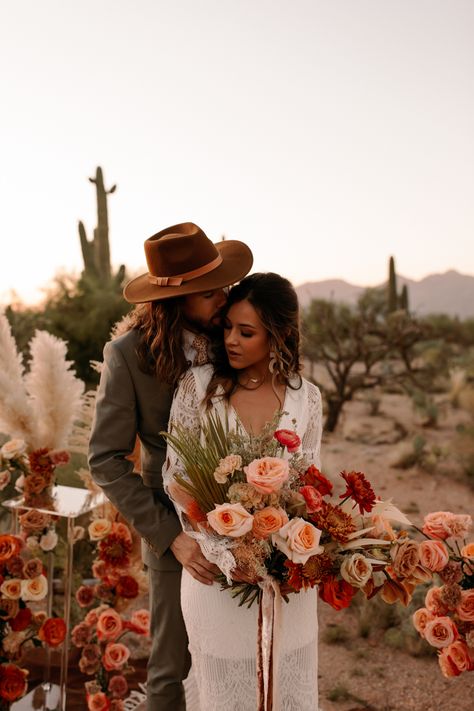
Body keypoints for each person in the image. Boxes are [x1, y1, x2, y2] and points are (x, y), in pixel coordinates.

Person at [88, 222, 253, 711]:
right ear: (176, 298)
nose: (224, 297)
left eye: (222, 285)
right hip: (173, 536)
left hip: (247, 527)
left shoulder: (235, 338)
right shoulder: (128, 356)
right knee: (170, 668)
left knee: (235, 658)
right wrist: (171, 537)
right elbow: (104, 460)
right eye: (210, 292)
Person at [164, 272, 323, 711]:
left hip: (286, 580)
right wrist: (227, 547)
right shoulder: (198, 389)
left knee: (284, 686)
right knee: (220, 688)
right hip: (214, 573)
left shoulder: (306, 398)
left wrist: (285, 547)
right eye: (228, 327)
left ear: (281, 335)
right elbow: (177, 477)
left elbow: (310, 484)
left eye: (247, 332)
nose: (231, 339)